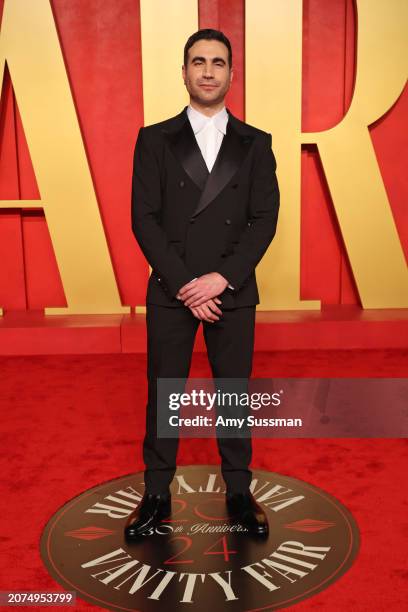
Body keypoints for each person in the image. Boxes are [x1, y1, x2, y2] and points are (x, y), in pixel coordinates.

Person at [125, 29, 280, 539]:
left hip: (231, 289)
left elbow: (264, 218)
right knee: (165, 394)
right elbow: (143, 219)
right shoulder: (154, 139)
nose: (208, 70)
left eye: (218, 62)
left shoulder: (257, 143)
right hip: (174, 288)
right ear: (185, 71)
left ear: (232, 74)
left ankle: (238, 491)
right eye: (198, 61)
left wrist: (222, 279)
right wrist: (188, 283)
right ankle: (155, 494)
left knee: (233, 394)